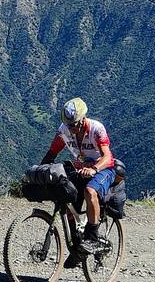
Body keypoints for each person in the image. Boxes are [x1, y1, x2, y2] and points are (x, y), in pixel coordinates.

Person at [40, 97, 116, 257]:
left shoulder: (97, 129)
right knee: (66, 197)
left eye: (73, 124)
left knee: (90, 191)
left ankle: (93, 238)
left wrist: (94, 169)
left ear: (83, 119)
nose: (70, 128)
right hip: (81, 170)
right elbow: (52, 152)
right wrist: (40, 172)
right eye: (68, 124)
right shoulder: (64, 130)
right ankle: (76, 248)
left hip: (104, 169)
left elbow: (108, 157)